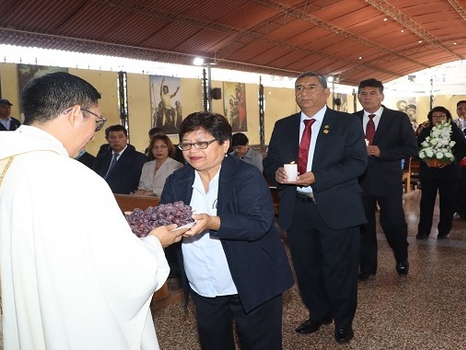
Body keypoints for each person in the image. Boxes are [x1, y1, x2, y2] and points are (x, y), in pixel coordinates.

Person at [0, 72, 184, 349]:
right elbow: (121, 272)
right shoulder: (71, 176)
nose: (94, 133)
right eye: (96, 121)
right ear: (74, 114)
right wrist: (154, 242)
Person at [160, 111, 293, 350]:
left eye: (202, 143)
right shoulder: (177, 180)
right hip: (204, 283)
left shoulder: (245, 175)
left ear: (224, 145)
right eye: (187, 144)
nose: (192, 151)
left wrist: (212, 222)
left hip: (251, 279)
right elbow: (166, 218)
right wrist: (148, 225)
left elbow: (258, 223)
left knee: (260, 344)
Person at [263, 71, 367, 344]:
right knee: (306, 267)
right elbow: (270, 160)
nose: (304, 93)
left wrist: (318, 176)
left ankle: (343, 322)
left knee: (339, 268)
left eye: (311, 87)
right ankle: (318, 313)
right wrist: (276, 173)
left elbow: (357, 163)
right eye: (299, 88)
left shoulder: (346, 123)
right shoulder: (283, 125)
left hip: (336, 207)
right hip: (297, 208)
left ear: (325, 92)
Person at [353, 78, 417, 280]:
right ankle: (367, 267)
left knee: (393, 223)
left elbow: (411, 148)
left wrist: (383, 151)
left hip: (387, 180)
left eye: (372, 93)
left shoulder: (398, 118)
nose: (368, 97)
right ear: (358, 96)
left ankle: (401, 258)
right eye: (363, 93)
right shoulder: (351, 120)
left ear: (382, 96)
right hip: (358, 181)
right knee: (363, 225)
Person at [416, 106, 466, 239]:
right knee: (426, 202)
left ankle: (444, 230)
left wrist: (451, 159)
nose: (438, 119)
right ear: (430, 119)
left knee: (448, 202)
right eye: (435, 117)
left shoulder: (455, 131)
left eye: (442, 116)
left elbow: (462, 149)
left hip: (449, 173)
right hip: (429, 172)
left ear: (447, 118)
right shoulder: (426, 131)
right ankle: (423, 230)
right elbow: (416, 148)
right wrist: (424, 158)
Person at [94, 124, 148, 194]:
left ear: (126, 138)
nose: (117, 140)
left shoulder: (138, 158)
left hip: (123, 196)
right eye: (112, 137)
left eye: (120, 137)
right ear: (107, 139)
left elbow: (129, 182)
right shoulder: (102, 157)